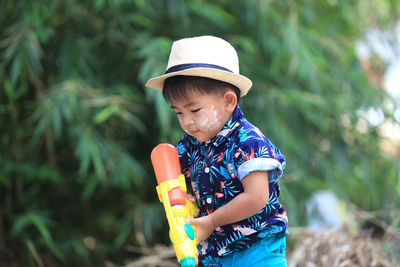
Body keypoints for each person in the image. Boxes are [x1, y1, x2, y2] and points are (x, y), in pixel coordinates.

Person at [146, 35, 288, 267]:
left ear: (228, 101)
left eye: (195, 110)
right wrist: (187, 202)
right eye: (179, 113)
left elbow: (257, 197)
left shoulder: (248, 142)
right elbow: (183, 187)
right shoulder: (190, 146)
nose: (187, 122)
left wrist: (211, 221)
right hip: (212, 253)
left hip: (256, 248)